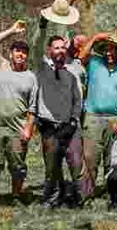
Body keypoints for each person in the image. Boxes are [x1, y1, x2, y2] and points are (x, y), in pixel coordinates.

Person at [0, 21, 35, 208]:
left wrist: (28, 128)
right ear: (11, 54)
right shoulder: (1, 65)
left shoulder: (31, 77)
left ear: (26, 56)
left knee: (18, 165)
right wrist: (12, 31)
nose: (20, 54)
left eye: (24, 52)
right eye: (17, 51)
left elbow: (33, 107)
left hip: (17, 127)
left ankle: (16, 194)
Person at [30, 34, 85, 208]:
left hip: (69, 125)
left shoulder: (73, 71)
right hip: (48, 126)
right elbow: (36, 46)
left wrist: (74, 120)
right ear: (49, 50)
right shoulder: (42, 68)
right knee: (52, 166)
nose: (60, 50)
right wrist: (43, 27)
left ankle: (78, 198)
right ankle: (53, 198)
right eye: (56, 47)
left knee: (76, 163)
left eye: (63, 47)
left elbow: (78, 100)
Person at [77, 31, 117, 200]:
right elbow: (81, 57)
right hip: (92, 118)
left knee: (112, 159)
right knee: (90, 158)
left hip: (116, 119)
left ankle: (112, 194)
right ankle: (87, 195)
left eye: (112, 49)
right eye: (105, 49)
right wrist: (95, 37)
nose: (109, 53)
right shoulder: (93, 63)